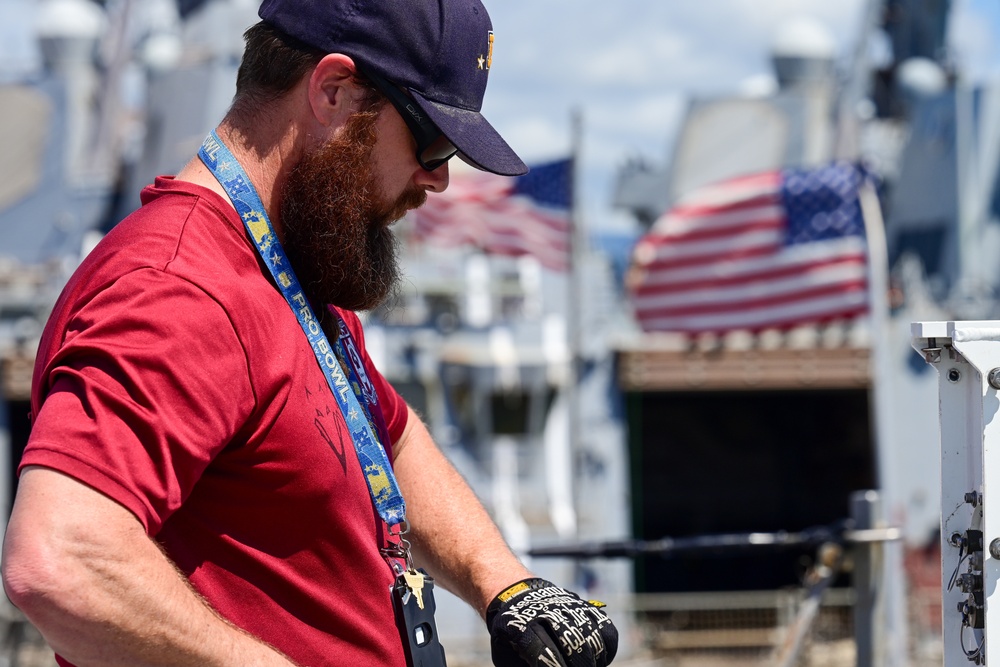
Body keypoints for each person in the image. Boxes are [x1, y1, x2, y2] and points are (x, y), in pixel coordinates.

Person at [0, 1, 618, 666]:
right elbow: (59, 557)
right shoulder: (180, 287)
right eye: (431, 141)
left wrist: (505, 584)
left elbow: (393, 434)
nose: (438, 178)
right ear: (331, 91)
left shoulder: (285, 264)